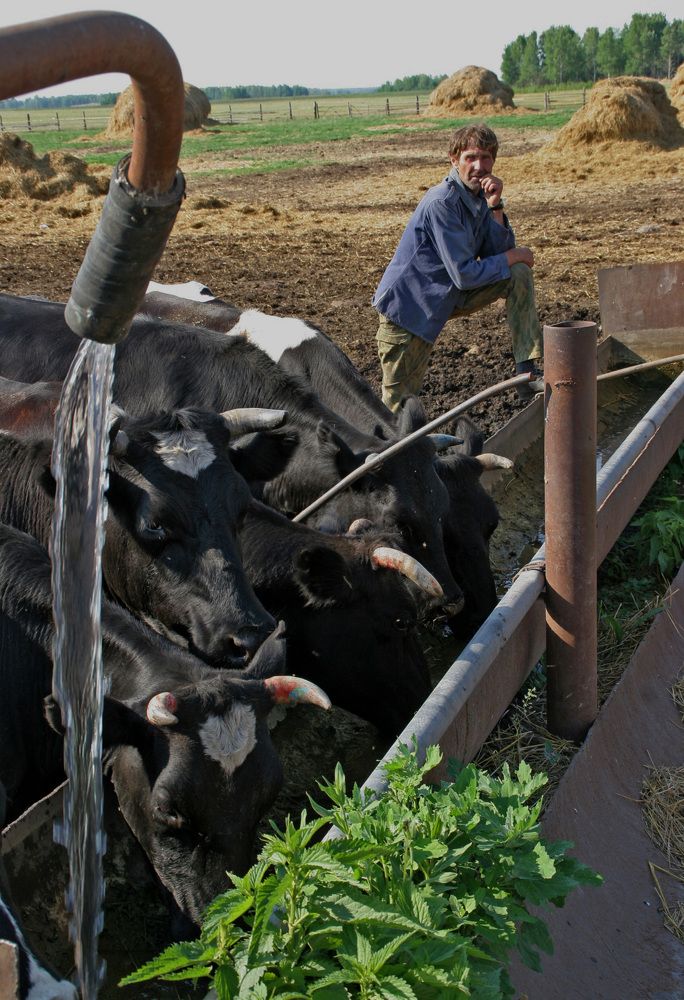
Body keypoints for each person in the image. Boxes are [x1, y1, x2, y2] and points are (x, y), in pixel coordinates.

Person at [372, 123, 543, 409]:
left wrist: (495, 206)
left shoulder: (478, 199)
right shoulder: (442, 202)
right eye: (470, 158)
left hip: (445, 296)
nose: (479, 166)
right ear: (454, 160)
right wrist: (513, 256)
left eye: (486, 157)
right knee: (398, 408)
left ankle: (526, 373)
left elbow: (498, 255)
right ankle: (382, 453)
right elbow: (465, 274)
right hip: (409, 312)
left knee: (518, 274)